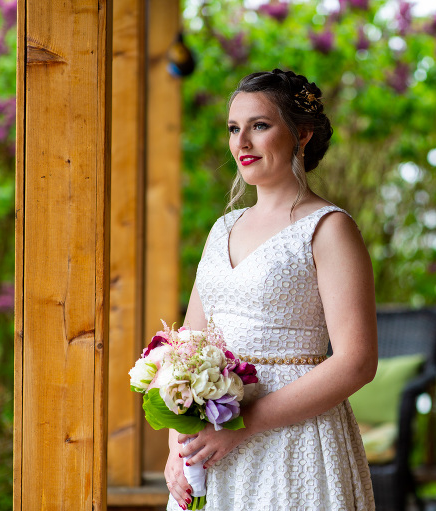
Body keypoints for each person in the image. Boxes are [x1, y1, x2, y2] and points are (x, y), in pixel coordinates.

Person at [163, 69, 378, 510]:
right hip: (213, 444)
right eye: (233, 128)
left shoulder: (328, 229)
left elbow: (357, 362)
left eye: (259, 126)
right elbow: (186, 347)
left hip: (296, 442)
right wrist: (177, 442)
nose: (241, 142)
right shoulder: (222, 229)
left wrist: (244, 425)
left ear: (303, 134)